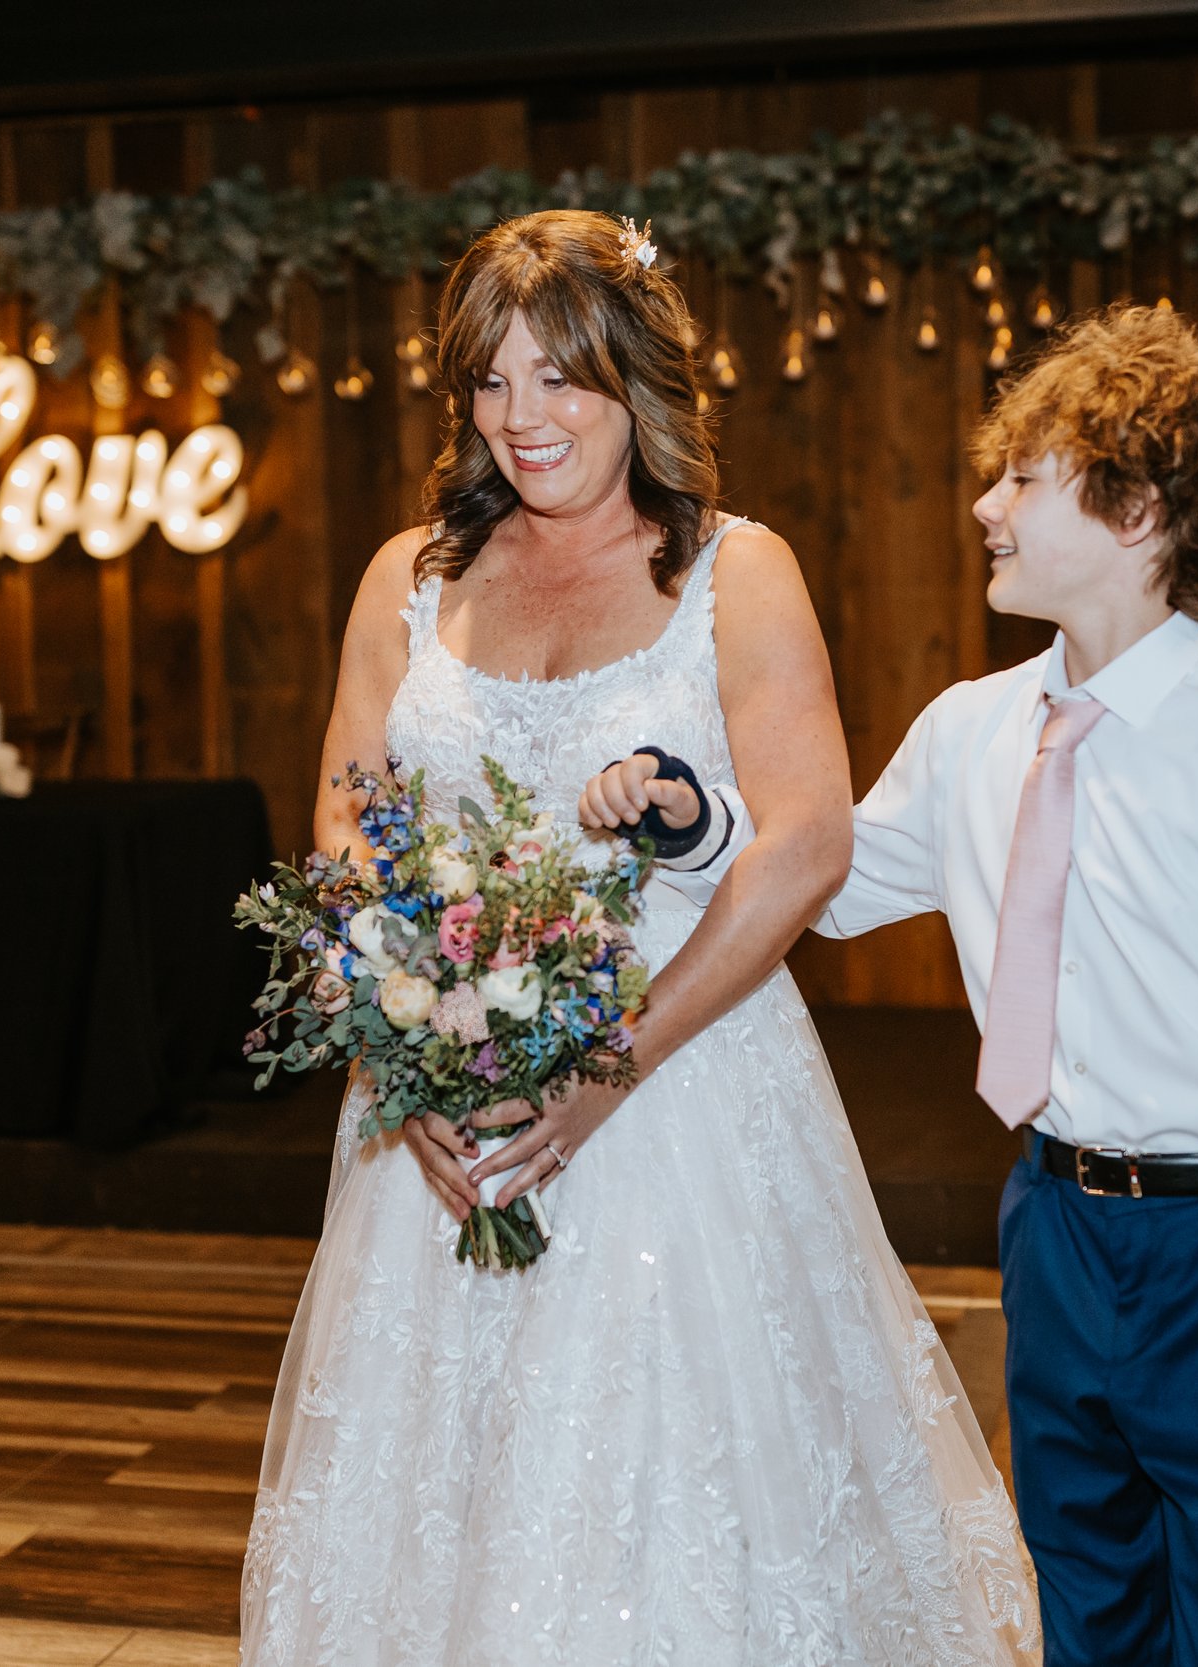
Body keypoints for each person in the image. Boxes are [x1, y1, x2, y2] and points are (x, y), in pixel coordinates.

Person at [242, 209, 1039, 1667]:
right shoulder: (407, 581)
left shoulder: (739, 572)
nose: (522, 418)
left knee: (666, 1502)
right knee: (440, 1500)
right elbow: (348, 840)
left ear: (638, 382)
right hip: (443, 1114)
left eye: (562, 378)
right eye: (490, 380)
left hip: (681, 1099)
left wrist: (608, 1066)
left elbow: (805, 843)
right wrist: (407, 1063)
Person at [583, 300, 1198, 1667]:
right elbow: (840, 888)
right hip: (1055, 1225)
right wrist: (696, 824)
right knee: (1082, 1600)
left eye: (1023, 478)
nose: (985, 504)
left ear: (1140, 510)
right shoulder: (975, 730)